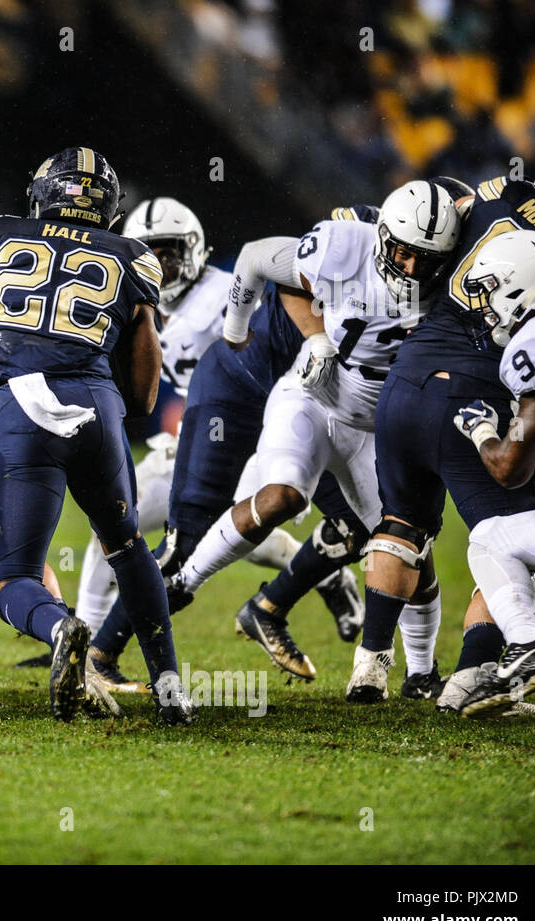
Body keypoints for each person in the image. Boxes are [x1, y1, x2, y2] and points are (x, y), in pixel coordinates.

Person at [0, 147, 193, 724]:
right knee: (126, 544)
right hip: (97, 407)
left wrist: (1, 343)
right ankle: (170, 685)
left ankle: (60, 626)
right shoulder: (133, 256)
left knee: (11, 577)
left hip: (23, 407)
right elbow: (146, 397)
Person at [166, 182, 462, 691]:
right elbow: (263, 261)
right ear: (382, 237)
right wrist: (257, 333)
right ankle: (183, 585)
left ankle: (420, 672)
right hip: (310, 397)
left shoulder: (459, 286)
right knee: (280, 496)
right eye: (403, 253)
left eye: (426, 259)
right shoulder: (345, 246)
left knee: (409, 547)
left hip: (373, 429)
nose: (411, 269)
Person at [73, 197, 360, 694]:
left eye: (169, 253)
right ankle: (92, 646)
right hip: (219, 421)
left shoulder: (217, 295)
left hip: (269, 416)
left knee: (353, 521)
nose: (161, 267)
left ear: (195, 249)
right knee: (164, 535)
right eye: (150, 254)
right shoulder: (143, 307)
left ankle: (94, 645)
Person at [360, 156, 535, 709]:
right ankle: (473, 675)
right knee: (510, 539)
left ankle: (370, 666)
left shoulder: (505, 195)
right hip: (476, 391)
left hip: (406, 380)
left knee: (400, 523)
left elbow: (447, 213)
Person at [450, 230, 535, 716]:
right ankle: (524, 651)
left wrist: (479, 430)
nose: (485, 306)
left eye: (493, 290)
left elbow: (510, 469)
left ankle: (525, 647)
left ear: (526, 289)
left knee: (489, 540)